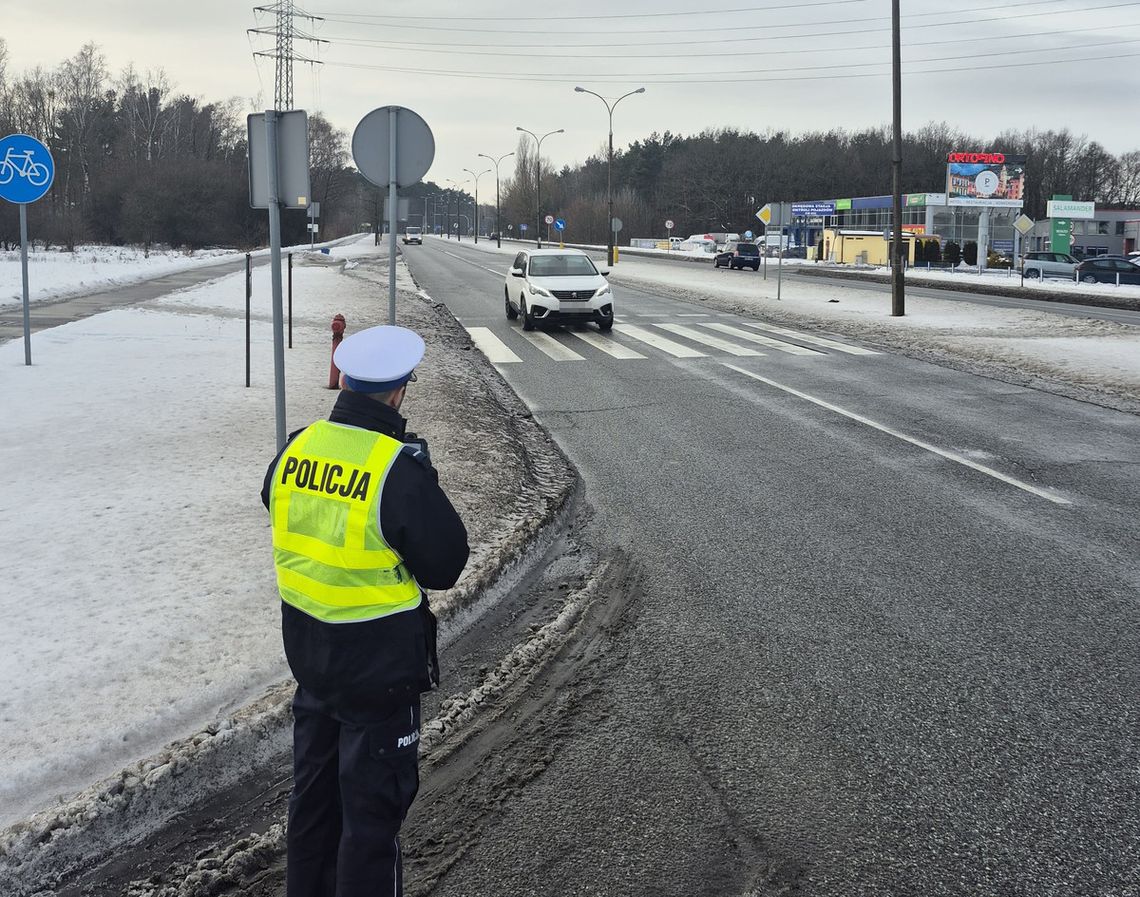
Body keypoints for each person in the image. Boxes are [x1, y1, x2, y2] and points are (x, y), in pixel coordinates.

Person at [261, 324, 469, 897]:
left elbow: (278, 506)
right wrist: (421, 482)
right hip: (379, 677)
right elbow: (446, 564)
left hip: (311, 663)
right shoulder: (395, 468)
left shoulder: (296, 447)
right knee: (370, 825)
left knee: (313, 810)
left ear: (344, 382)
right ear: (399, 392)